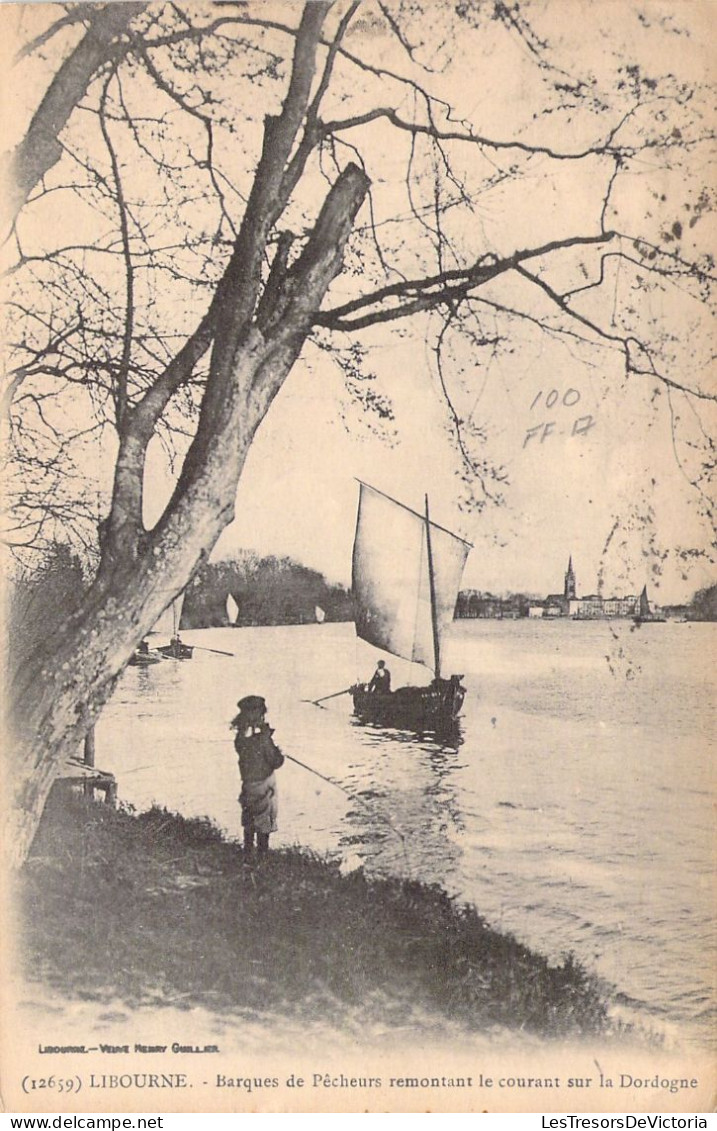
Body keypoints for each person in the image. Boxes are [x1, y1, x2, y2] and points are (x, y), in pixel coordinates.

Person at [231, 695, 284, 858]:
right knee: (263, 824)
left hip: (248, 787)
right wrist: (273, 745)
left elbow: (248, 749)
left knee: (249, 822)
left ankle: (247, 853)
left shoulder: (240, 739)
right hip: (264, 787)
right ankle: (262, 856)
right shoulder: (263, 740)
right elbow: (276, 762)